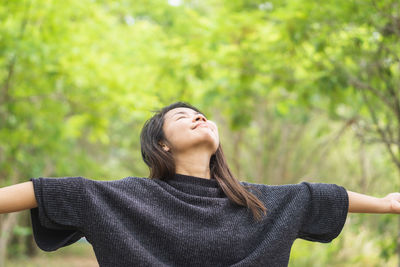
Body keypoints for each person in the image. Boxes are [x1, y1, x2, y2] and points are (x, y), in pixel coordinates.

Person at [1, 101, 400, 267]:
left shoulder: (257, 202)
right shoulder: (125, 198)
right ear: (161, 143)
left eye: (202, 115)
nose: (198, 118)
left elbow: (322, 197)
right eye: (183, 117)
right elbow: (43, 191)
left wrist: (387, 203)